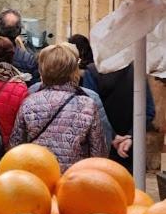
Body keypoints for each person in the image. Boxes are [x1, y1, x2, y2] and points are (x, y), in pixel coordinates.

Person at [9, 43, 107, 171]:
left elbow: (15, 146)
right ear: (73, 71)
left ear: (42, 70)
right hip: (74, 178)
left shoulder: (29, 102)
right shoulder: (87, 105)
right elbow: (98, 152)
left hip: (39, 176)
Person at [77, 37, 156, 174]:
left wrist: (113, 137)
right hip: (130, 149)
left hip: (101, 148)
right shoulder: (137, 72)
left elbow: (90, 109)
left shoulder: (92, 72)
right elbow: (148, 111)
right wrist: (130, 136)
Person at [28, 42, 114, 148]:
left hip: (37, 161)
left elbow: (18, 140)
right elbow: (102, 143)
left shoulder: (31, 94)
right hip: (78, 163)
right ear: (73, 69)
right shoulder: (90, 98)